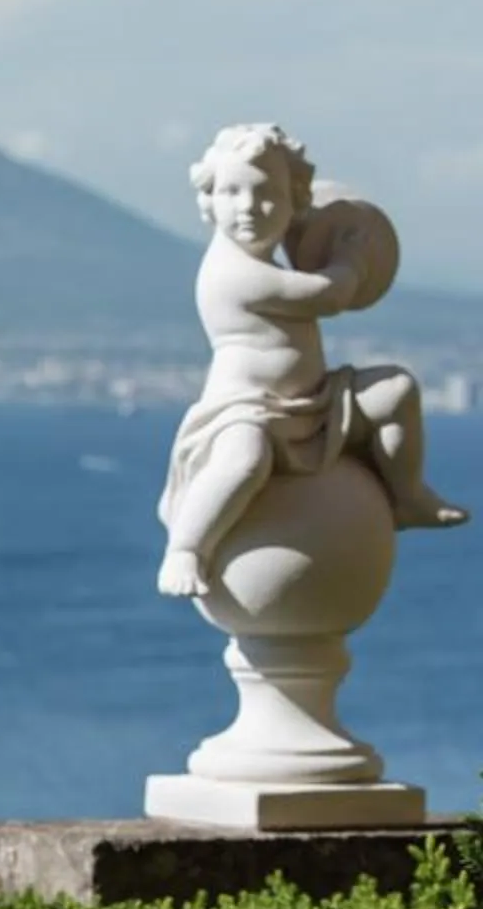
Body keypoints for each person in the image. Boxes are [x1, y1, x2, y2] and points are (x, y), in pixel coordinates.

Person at [156, 122, 467, 599]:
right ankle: (187, 548)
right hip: (248, 408)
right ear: (209, 199)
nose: (248, 207)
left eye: (267, 195)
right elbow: (328, 295)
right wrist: (350, 258)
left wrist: (316, 229)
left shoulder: (261, 258)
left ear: (293, 203)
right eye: (232, 191)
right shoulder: (232, 273)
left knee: (396, 391)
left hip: (314, 399)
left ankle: (408, 497)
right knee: (244, 460)